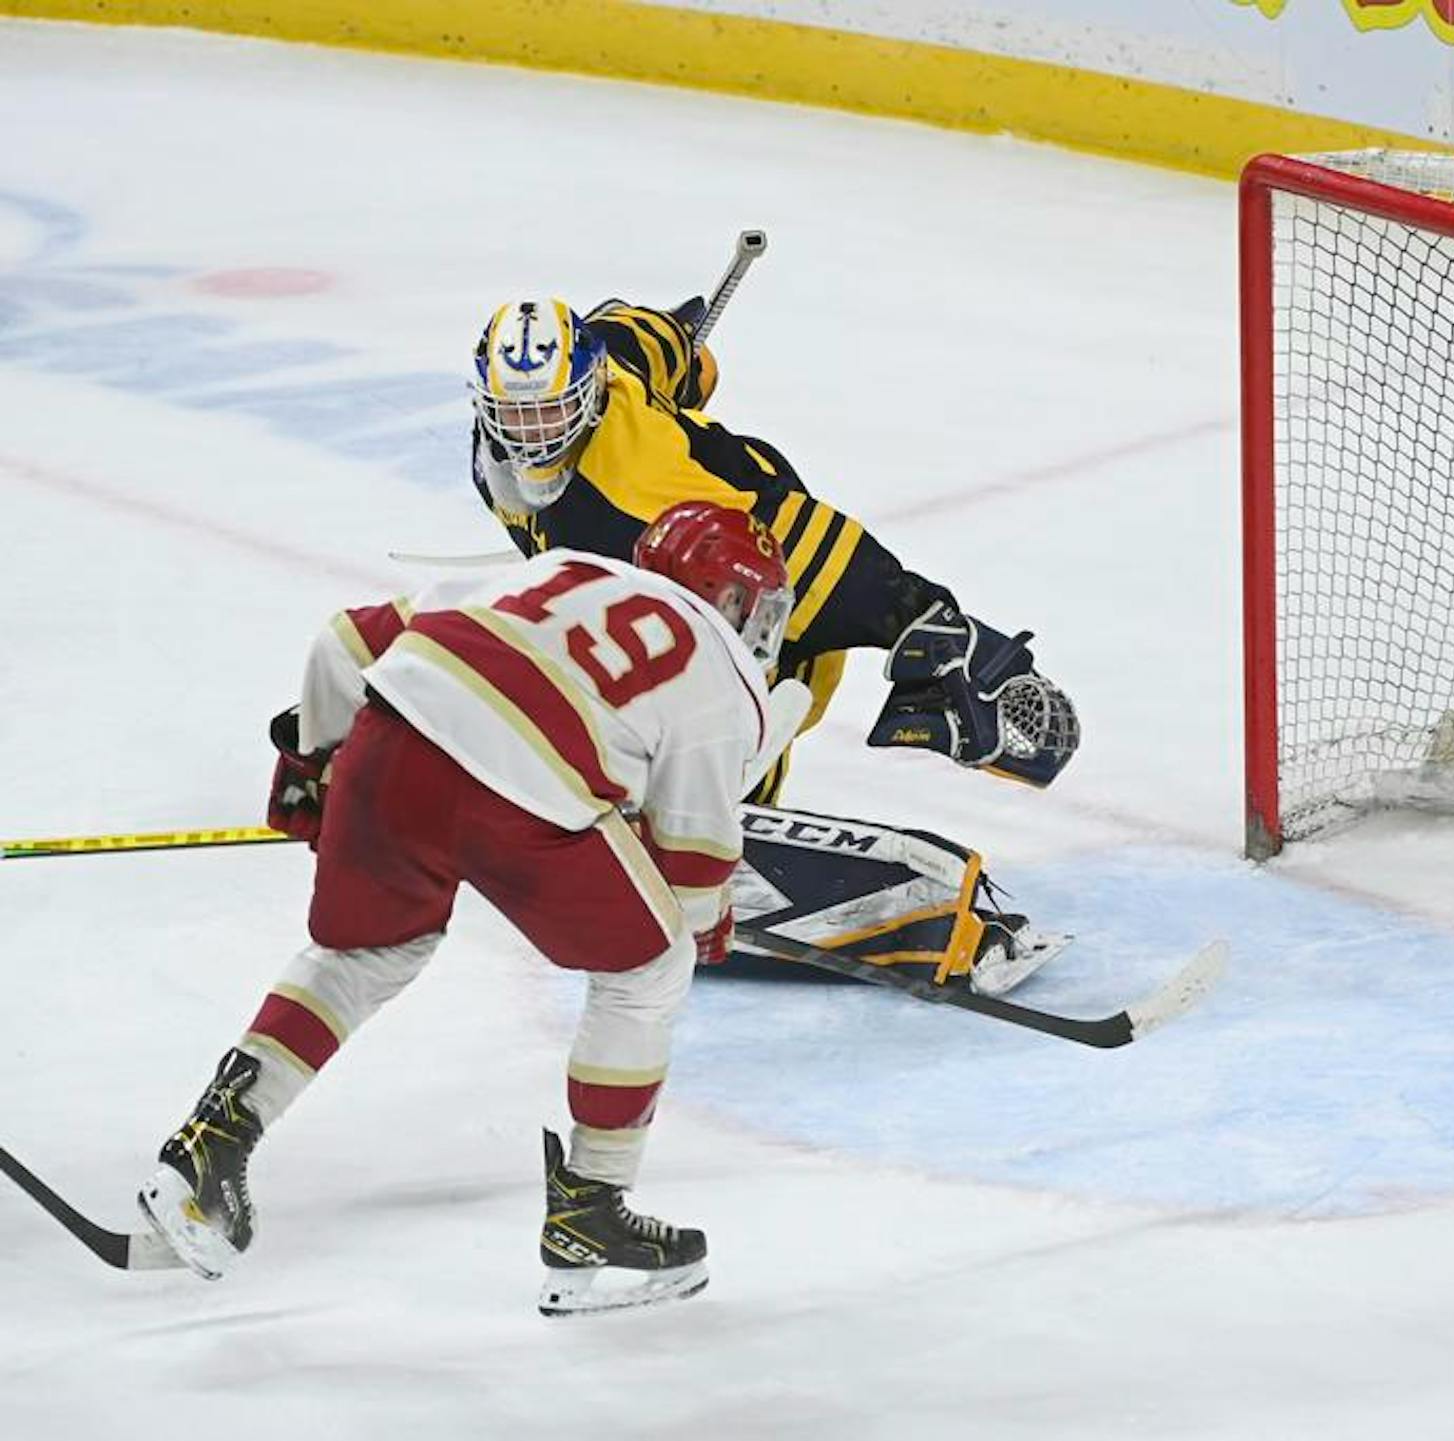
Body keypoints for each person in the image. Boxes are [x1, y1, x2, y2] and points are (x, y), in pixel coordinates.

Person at [138, 501, 795, 1318]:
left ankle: (206, 1151)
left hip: (394, 735)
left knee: (367, 952)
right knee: (649, 966)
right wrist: (701, 918)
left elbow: (347, 643)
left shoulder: (559, 570)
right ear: (733, 599)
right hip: (525, 796)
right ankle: (591, 1214)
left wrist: (312, 763)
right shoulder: (727, 674)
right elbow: (695, 868)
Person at [467, 295, 1079, 995]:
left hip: (754, 592)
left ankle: (829, 885)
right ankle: (723, 833)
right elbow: (644, 334)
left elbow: (796, 554)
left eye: (550, 410)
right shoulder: (578, 385)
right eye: (516, 413)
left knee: (689, 794)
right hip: (662, 603)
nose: (533, 433)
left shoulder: (638, 487)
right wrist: (690, 359)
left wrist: (920, 620)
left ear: (591, 387)